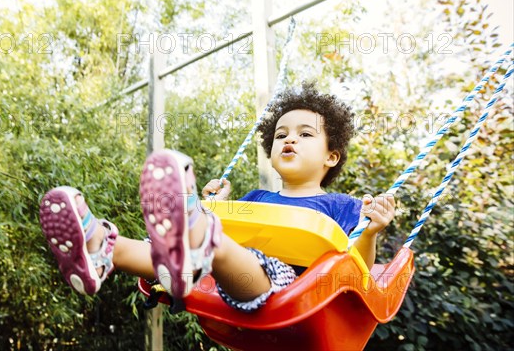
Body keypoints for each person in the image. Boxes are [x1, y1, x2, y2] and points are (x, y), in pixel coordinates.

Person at [39, 84, 395, 312]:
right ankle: (102, 248)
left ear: (331, 156)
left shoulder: (342, 206)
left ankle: (198, 235)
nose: (290, 140)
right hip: (227, 283)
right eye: (281, 134)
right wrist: (215, 206)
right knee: (197, 238)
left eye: (305, 134)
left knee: (213, 240)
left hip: (295, 296)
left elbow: (358, 272)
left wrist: (371, 231)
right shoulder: (256, 198)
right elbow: (239, 232)